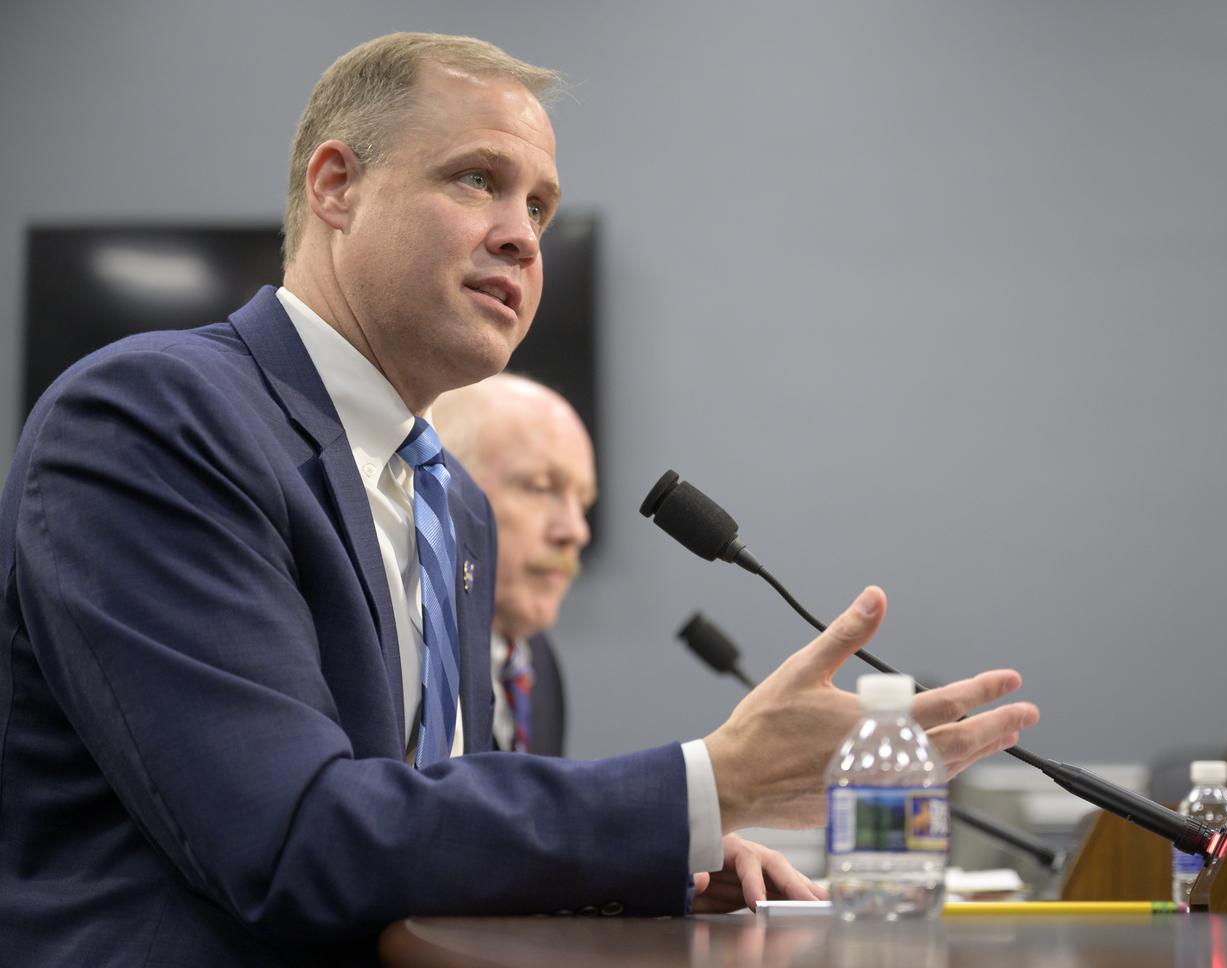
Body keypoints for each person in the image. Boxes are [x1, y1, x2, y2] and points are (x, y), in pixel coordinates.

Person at [0, 32, 1040, 965]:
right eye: (476, 181)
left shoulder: (449, 500)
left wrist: (662, 861)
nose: (522, 236)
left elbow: (434, 817)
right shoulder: (155, 417)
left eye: (537, 206)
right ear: (335, 185)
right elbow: (289, 841)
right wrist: (705, 779)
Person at [433, 374, 592, 757]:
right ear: (440, 488)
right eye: (540, 487)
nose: (575, 531)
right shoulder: (406, 655)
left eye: (583, 502)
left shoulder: (535, 661)